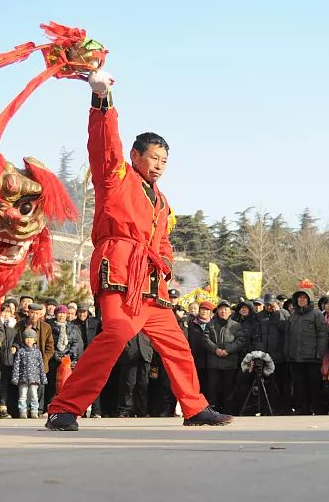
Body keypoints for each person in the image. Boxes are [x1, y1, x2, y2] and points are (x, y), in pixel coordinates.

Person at [44, 69, 231, 430]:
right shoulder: (115, 176)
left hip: (150, 285)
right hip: (119, 273)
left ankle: (195, 408)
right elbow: (103, 143)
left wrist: (165, 261)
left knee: (177, 345)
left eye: (165, 161)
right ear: (135, 155)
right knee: (114, 334)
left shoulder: (162, 200)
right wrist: (102, 100)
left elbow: (162, 240)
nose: (159, 166)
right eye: (154, 158)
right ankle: (65, 408)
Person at [285, 289, 328, 415]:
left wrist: (319, 353)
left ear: (309, 299)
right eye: (299, 298)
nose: (302, 300)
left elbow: (323, 334)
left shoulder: (316, 314)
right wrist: (288, 352)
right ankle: (302, 409)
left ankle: (316, 408)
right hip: (296, 358)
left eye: (304, 298)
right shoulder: (292, 316)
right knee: (299, 385)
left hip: (312, 357)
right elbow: (288, 336)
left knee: (314, 384)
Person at [202, 301, 246, 414]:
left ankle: (228, 412)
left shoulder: (236, 325)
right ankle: (213, 412)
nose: (223, 311)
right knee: (213, 390)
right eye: (221, 309)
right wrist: (215, 349)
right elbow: (205, 339)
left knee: (229, 390)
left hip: (229, 363)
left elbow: (240, 341)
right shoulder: (210, 324)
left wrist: (228, 350)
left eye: (225, 309)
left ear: (230, 311)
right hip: (213, 363)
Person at [47, 305, 83, 406]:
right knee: (53, 383)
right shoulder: (50, 327)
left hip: (68, 359)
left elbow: (75, 343)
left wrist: (69, 355)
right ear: (56, 314)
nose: (62, 315)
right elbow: (49, 343)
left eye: (63, 313)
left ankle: (67, 404)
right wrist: (57, 356)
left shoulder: (72, 328)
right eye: (59, 313)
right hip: (55, 359)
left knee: (68, 382)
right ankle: (52, 404)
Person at [11, 328, 46, 419]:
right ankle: (23, 411)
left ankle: (34, 411)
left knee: (34, 395)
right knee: (23, 396)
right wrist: (15, 378)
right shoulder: (21, 351)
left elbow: (41, 366)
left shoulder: (37, 352)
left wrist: (43, 378)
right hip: (23, 378)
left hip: (35, 379)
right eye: (27, 338)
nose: (29, 340)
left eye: (31, 338)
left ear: (34, 340)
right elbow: (17, 365)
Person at [116, 332, 154, 417]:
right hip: (129, 352)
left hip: (145, 351)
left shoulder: (146, 319)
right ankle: (125, 409)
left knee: (143, 384)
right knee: (128, 384)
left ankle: (142, 410)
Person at [0, 301, 16, 419]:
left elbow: (18, 340)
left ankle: (3, 408)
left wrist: (16, 346)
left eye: (8, 312)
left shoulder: (14, 326)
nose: (5, 314)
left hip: (8, 359)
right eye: (4, 311)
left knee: (4, 384)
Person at [188, 300, 215, 395]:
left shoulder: (214, 325)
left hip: (211, 360)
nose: (204, 312)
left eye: (207, 310)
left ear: (210, 312)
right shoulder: (191, 324)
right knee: (196, 384)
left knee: (210, 385)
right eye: (202, 309)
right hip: (195, 359)